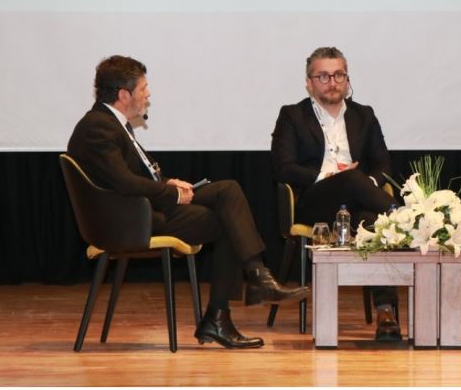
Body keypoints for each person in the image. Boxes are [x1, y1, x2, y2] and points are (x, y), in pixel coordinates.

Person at [67, 55, 308, 349]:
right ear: (124, 95)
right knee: (228, 222)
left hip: (140, 208)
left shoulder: (111, 124)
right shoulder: (98, 127)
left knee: (228, 191)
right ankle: (227, 309)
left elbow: (130, 178)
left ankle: (255, 280)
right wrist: (170, 194)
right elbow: (123, 182)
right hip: (129, 220)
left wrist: (168, 184)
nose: (148, 94)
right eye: (143, 88)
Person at [271, 46, 402, 342]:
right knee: (352, 178)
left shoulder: (363, 115)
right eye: (323, 76)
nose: (332, 82)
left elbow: (383, 164)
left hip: (359, 200)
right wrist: (330, 176)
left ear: (347, 79)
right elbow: (283, 168)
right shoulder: (292, 115)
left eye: (338, 75)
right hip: (315, 201)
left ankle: (386, 313)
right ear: (309, 83)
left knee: (372, 221)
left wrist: (366, 183)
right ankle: (407, 217)